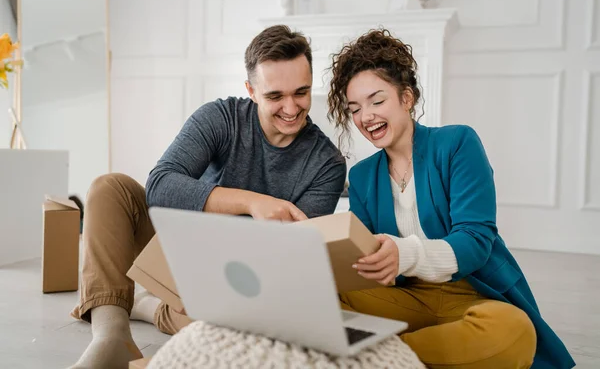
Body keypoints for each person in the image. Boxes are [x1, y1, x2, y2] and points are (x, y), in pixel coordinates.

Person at [69, 25, 347, 369]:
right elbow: (161, 186)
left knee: (262, 329)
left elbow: (290, 264)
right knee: (110, 188)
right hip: (177, 248)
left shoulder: (327, 163)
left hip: (242, 280)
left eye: (301, 93)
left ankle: (152, 308)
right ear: (252, 91)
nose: (291, 108)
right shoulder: (221, 117)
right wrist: (251, 202)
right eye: (275, 96)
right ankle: (111, 337)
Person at [327, 29, 574, 369]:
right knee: (326, 290)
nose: (365, 117)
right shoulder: (362, 175)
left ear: (407, 98)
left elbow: (475, 241)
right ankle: (402, 353)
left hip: (469, 293)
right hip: (406, 296)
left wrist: (404, 253)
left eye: (377, 101)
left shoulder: (457, 143)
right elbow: (368, 260)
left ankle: (381, 353)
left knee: (514, 332)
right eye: (355, 108)